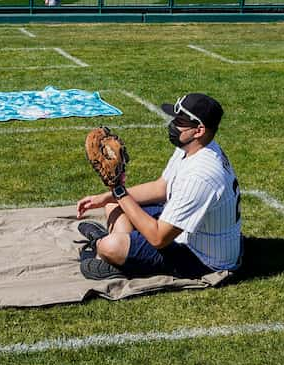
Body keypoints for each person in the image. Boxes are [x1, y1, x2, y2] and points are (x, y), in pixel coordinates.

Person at [76, 93, 242, 280]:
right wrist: (106, 196)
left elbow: (158, 238)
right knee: (113, 205)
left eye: (179, 120)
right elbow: (160, 188)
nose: (172, 124)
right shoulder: (193, 148)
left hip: (201, 258)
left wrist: (119, 190)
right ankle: (115, 249)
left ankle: (105, 247)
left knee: (110, 245)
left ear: (199, 130)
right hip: (188, 233)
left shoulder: (200, 176)